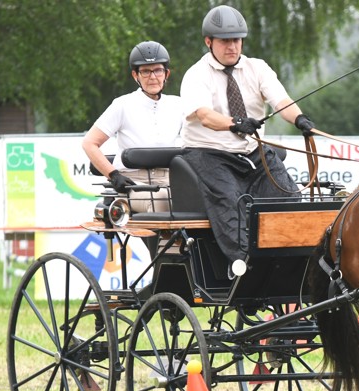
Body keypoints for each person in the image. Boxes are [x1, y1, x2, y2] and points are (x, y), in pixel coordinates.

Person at [180, 5, 315, 278]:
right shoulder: (196, 74)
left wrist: (300, 119)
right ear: (209, 42)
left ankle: (290, 265)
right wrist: (234, 123)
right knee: (231, 203)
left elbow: (282, 101)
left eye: (237, 40)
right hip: (210, 154)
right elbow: (204, 116)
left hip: (253, 152)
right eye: (225, 41)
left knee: (289, 197)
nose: (232, 46)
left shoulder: (258, 68)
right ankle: (242, 268)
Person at [82, 41, 184, 213]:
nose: (153, 77)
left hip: (170, 179)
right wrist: (113, 175)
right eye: (145, 71)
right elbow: (89, 143)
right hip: (133, 182)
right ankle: (170, 241)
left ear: (167, 73)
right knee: (161, 200)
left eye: (157, 70)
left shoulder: (179, 104)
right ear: (135, 75)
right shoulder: (122, 104)